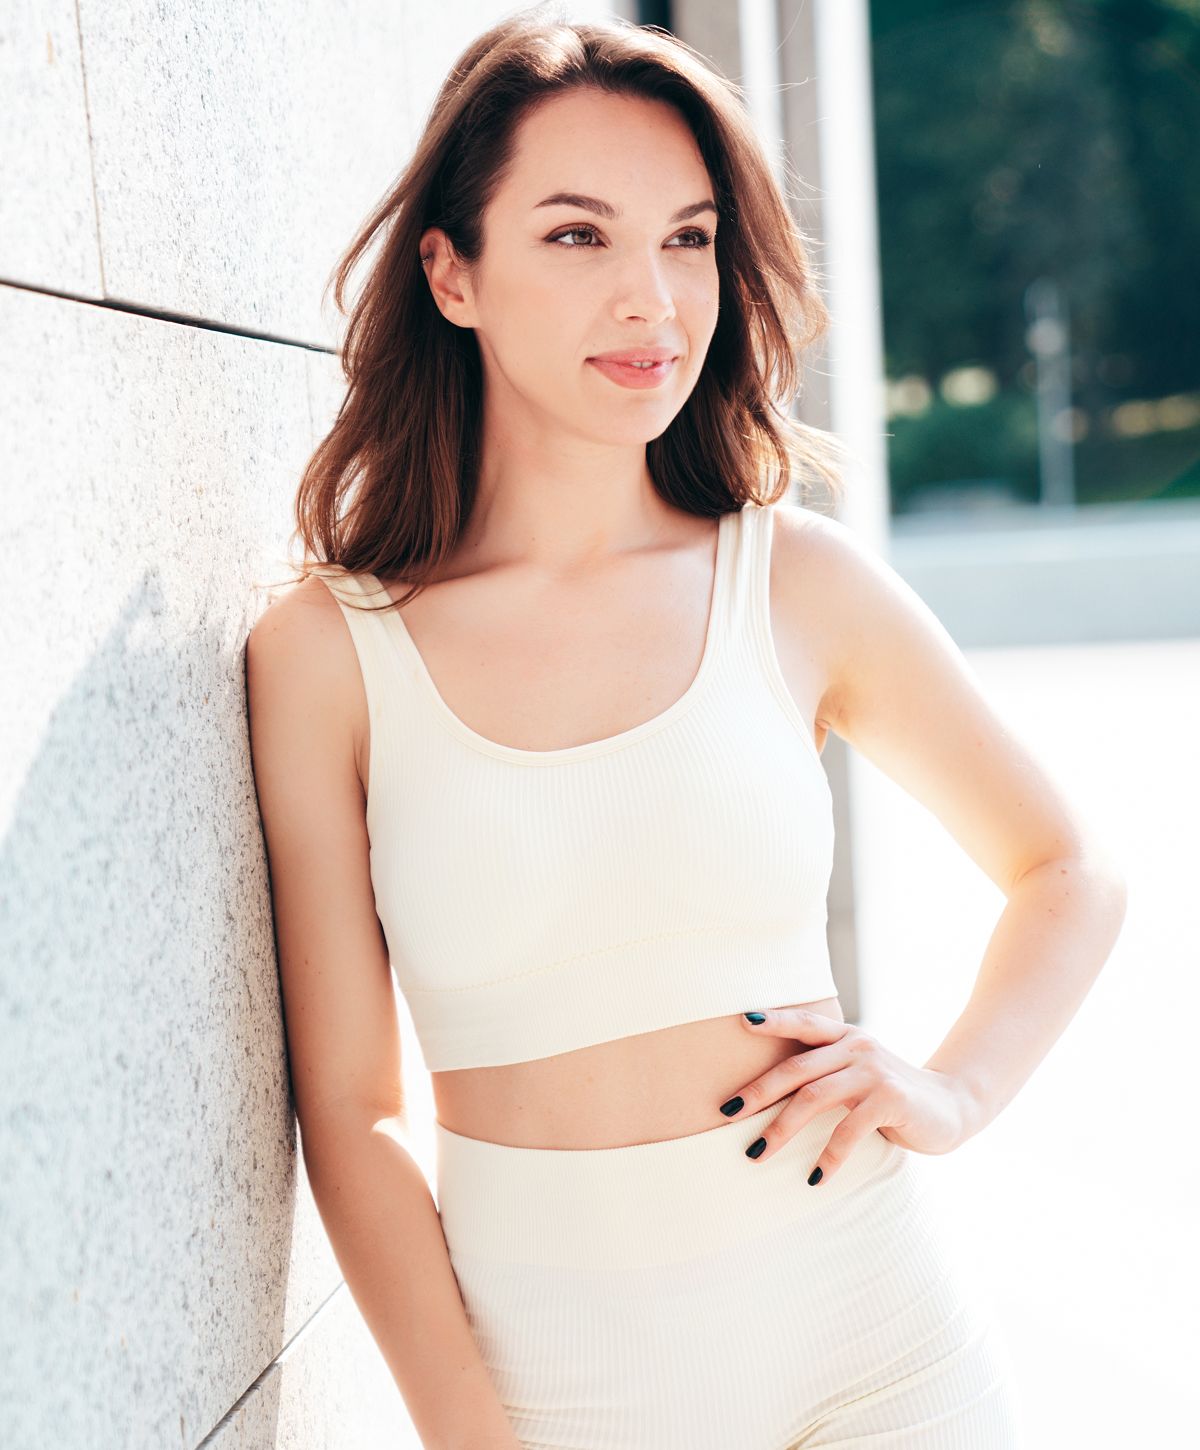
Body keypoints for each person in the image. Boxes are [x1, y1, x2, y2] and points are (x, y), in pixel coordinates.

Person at [246, 10, 1126, 1448]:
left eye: (689, 238)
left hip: (879, 1343)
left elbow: (1069, 869)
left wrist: (954, 1090)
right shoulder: (328, 655)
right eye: (577, 236)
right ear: (452, 273)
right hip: (566, 1388)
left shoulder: (795, 581)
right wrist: (471, 1433)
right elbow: (349, 1107)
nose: (651, 297)